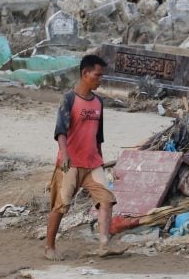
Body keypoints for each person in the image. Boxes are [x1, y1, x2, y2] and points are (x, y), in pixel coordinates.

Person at [45, 54, 127, 260]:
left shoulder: (98, 102)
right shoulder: (69, 99)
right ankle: (49, 247)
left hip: (92, 164)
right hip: (70, 163)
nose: (101, 80)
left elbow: (98, 137)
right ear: (85, 73)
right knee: (61, 205)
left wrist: (102, 161)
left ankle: (104, 245)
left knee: (107, 200)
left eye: (102, 76)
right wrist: (64, 154)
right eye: (97, 75)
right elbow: (60, 131)